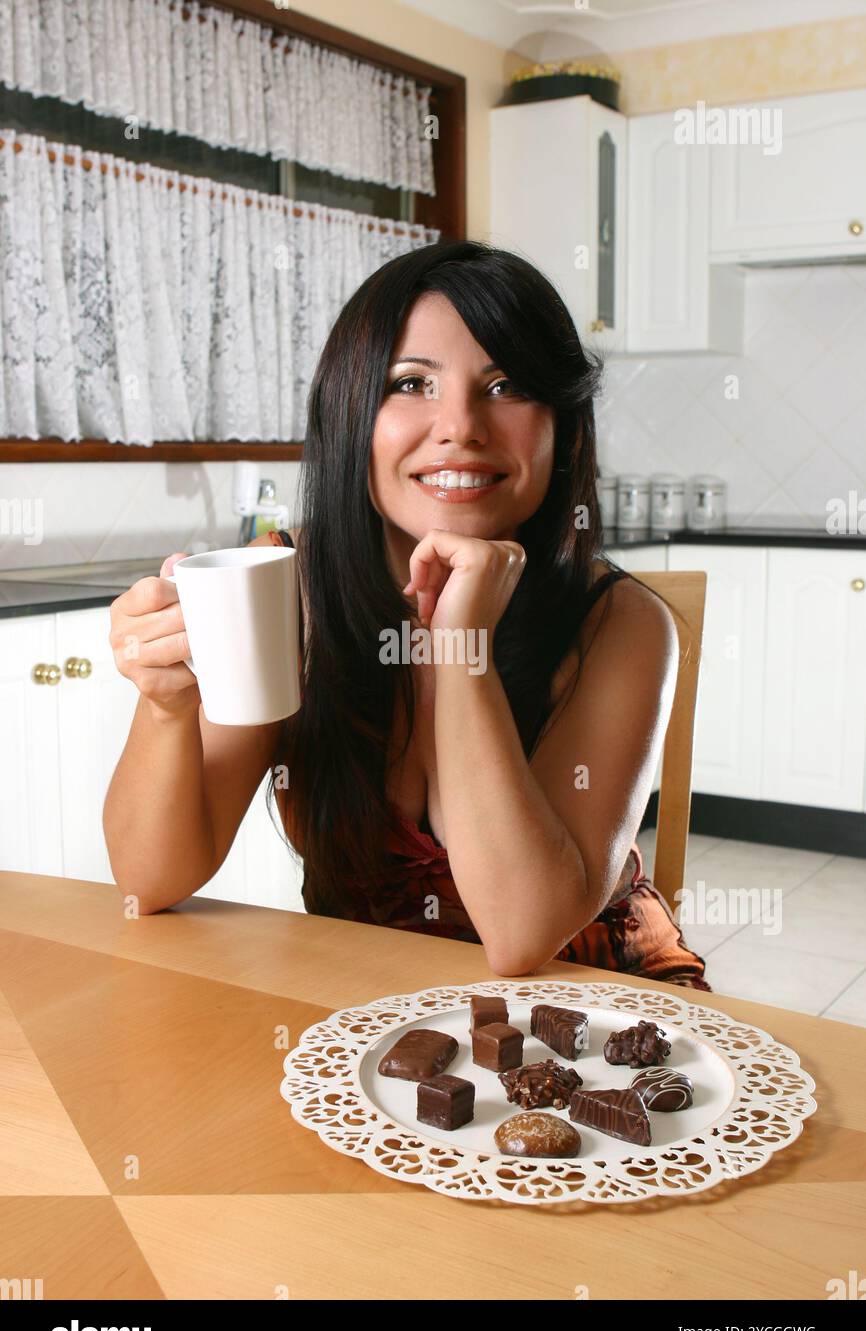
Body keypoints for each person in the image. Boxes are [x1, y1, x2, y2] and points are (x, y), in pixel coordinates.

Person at [104, 239, 711, 991]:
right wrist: (164, 708)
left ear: (561, 424)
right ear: (350, 411)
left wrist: (459, 647)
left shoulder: (619, 622)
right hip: (367, 1009)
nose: (460, 426)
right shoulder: (284, 585)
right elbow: (151, 883)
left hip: (596, 1007)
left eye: (507, 384)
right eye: (411, 383)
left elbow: (521, 934)